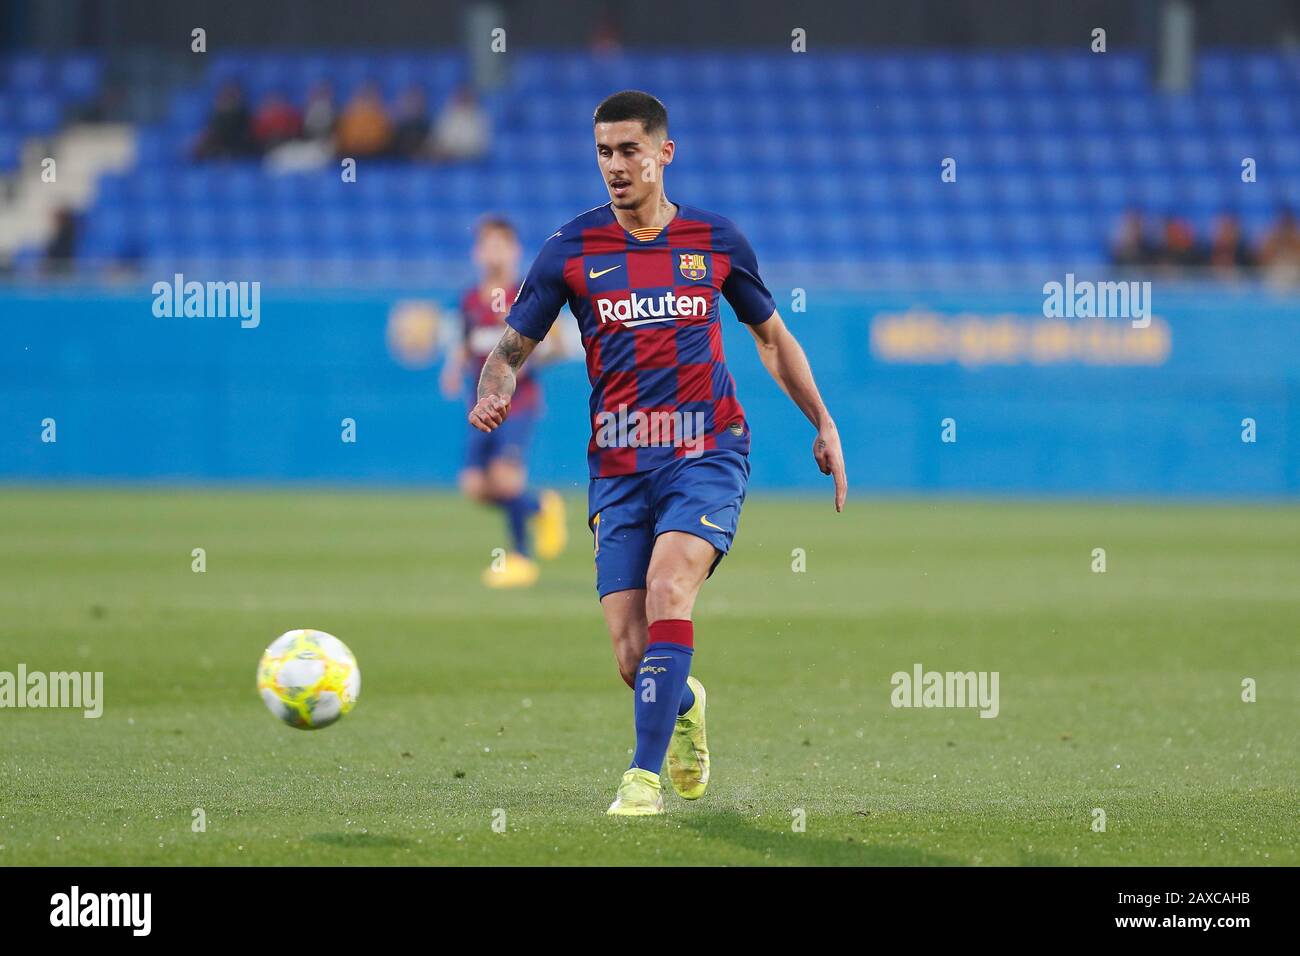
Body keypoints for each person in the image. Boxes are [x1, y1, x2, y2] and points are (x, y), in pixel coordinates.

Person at [468, 90, 847, 816]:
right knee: (632, 659)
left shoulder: (715, 241)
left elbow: (771, 339)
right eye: (604, 152)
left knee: (672, 586)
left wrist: (822, 421)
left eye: (629, 151)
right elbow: (508, 349)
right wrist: (495, 386)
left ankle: (640, 781)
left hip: (706, 451)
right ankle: (685, 704)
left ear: (663, 154)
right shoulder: (568, 252)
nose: (615, 166)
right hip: (617, 462)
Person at [441, 217, 567, 587]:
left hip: (518, 403)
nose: (494, 253)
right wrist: (453, 366)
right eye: (487, 245)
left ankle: (521, 558)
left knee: (505, 478)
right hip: (479, 403)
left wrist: (525, 363)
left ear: (514, 250)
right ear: (477, 252)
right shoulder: (469, 299)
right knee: (475, 486)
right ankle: (540, 507)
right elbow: (467, 341)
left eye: (501, 245)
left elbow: (558, 346)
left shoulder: (527, 295)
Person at [334, 81, 393, 159]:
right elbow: (344, 138)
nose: (366, 102)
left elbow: (384, 139)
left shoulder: (381, 118)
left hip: (376, 155)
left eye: (369, 97)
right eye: (363, 97)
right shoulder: (350, 117)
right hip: (352, 154)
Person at [430, 87, 488, 161]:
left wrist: (456, 151)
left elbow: (480, 146)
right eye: (460, 98)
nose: (462, 101)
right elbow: (439, 140)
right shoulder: (447, 116)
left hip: (471, 160)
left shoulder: (480, 118)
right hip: (447, 159)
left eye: (465, 98)